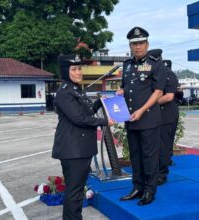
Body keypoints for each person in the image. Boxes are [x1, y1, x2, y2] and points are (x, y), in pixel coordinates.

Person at [52, 54, 115, 220]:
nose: (78, 72)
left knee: (77, 190)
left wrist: (100, 102)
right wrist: (105, 121)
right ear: (66, 71)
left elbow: (86, 112)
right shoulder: (65, 92)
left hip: (80, 149)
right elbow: (78, 118)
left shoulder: (76, 90)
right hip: (73, 150)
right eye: (74, 69)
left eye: (79, 68)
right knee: (74, 192)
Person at [117, 27, 166, 206]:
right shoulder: (127, 65)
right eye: (134, 43)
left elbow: (158, 92)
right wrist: (120, 91)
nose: (138, 47)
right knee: (135, 156)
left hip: (148, 118)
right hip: (131, 119)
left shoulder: (156, 63)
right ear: (130, 45)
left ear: (147, 44)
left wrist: (142, 109)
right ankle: (137, 187)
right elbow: (126, 87)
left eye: (141, 43)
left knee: (149, 156)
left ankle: (149, 190)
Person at [158, 58, 179, 185]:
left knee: (164, 145)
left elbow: (169, 97)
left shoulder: (168, 74)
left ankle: (162, 174)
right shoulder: (154, 74)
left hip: (167, 115)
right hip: (156, 115)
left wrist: (147, 103)